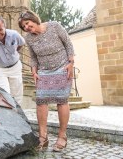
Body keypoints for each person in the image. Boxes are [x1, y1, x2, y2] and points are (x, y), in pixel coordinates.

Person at [18, 10, 75, 152]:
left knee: (61, 101)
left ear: (33, 19)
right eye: (23, 27)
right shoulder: (29, 38)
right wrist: (34, 71)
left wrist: (71, 63)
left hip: (62, 68)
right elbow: (32, 57)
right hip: (44, 72)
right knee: (41, 101)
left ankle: (62, 136)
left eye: (27, 24)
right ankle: (43, 137)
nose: (26, 28)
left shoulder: (54, 26)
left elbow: (68, 43)